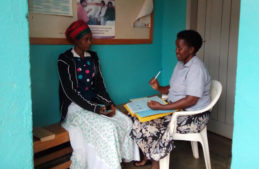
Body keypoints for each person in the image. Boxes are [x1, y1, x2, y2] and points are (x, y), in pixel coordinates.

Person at [58, 20, 139, 169]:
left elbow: (100, 86)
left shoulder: (93, 57)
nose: (90, 42)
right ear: (76, 40)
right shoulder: (65, 60)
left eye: (91, 38)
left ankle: (118, 158)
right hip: (75, 107)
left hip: (94, 103)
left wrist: (109, 104)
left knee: (125, 121)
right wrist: (97, 109)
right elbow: (71, 92)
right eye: (86, 39)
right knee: (107, 127)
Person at [130, 30, 211, 169]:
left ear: (191, 50)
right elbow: (173, 88)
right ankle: (149, 157)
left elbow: (191, 100)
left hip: (193, 115)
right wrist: (158, 88)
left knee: (153, 124)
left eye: (180, 48)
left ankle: (156, 164)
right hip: (177, 108)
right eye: (176, 47)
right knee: (136, 118)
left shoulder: (196, 68)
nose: (176, 51)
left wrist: (161, 107)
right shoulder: (180, 64)